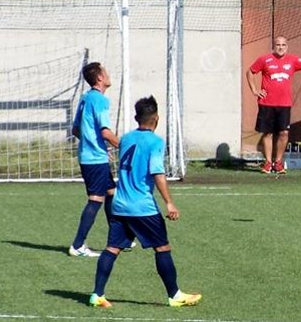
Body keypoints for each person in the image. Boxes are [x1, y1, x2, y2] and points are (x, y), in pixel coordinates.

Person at [88, 96, 202, 308]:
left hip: (119, 205)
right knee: (162, 248)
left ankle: (97, 294)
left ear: (136, 117)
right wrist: (169, 202)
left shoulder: (126, 139)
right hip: (142, 208)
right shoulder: (156, 142)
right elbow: (158, 173)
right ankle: (175, 295)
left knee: (112, 248)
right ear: (156, 118)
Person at [246, 36, 301, 174]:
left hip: (284, 104)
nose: (280, 47)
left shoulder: (292, 60)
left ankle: (278, 163)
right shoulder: (264, 60)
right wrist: (254, 90)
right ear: (274, 46)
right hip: (267, 103)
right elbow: (250, 72)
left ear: (287, 47)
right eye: (278, 45)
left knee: (283, 133)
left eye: (283, 45)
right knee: (268, 133)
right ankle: (268, 163)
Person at [69, 62, 120, 258]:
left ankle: (118, 238)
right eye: (105, 71)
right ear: (100, 78)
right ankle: (78, 244)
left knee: (110, 192)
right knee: (96, 199)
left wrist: (94, 145)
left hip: (91, 156)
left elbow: (76, 130)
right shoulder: (99, 100)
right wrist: (125, 147)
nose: (108, 74)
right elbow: (105, 132)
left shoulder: (86, 98)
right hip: (94, 160)